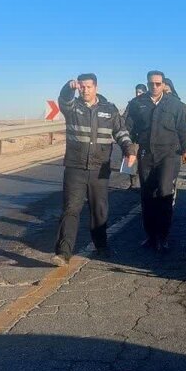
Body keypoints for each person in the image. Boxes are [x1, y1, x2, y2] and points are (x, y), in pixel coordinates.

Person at [53, 73, 137, 266]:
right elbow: (64, 99)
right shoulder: (72, 107)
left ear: (96, 87)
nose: (84, 90)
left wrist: (128, 149)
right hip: (75, 167)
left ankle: (101, 246)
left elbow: (121, 132)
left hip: (100, 169)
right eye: (81, 87)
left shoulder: (109, 109)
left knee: (99, 210)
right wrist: (68, 87)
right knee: (71, 209)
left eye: (88, 87)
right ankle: (63, 252)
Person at [126, 70, 186, 253]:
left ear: (164, 84)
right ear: (147, 84)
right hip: (146, 154)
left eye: (157, 84)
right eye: (151, 84)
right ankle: (150, 235)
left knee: (164, 192)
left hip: (168, 154)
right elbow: (128, 129)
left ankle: (163, 236)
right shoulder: (137, 104)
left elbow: (183, 128)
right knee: (147, 195)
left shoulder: (176, 105)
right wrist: (128, 149)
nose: (154, 87)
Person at [122, 84, 147, 190]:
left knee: (142, 161)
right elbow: (124, 116)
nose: (138, 94)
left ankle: (143, 184)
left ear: (145, 92)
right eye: (136, 92)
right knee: (129, 158)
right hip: (131, 135)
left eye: (140, 92)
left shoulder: (147, 104)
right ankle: (133, 183)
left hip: (142, 137)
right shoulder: (131, 104)